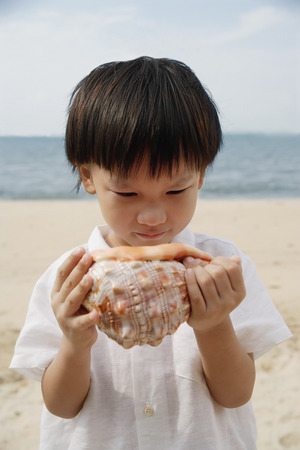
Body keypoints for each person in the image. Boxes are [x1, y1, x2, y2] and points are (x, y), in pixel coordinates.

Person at [10, 56, 291, 449]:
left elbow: (235, 395)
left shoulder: (221, 267)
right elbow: (60, 406)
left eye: (176, 190)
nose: (154, 215)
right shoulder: (68, 279)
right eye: (127, 193)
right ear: (88, 175)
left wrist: (214, 325)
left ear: (202, 174)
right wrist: (74, 343)